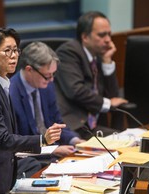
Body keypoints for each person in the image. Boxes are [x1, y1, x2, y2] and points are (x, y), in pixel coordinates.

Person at [0, 27, 64, 194]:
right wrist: (42, 140)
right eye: (7, 51)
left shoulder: (0, 85)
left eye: (15, 50)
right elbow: (3, 139)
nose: (14, 56)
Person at [9, 42, 85, 176]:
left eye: (53, 74)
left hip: (53, 155)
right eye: (47, 75)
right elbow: (15, 143)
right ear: (29, 70)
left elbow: (56, 122)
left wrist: (76, 141)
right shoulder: (11, 94)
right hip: (29, 162)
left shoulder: (47, 86)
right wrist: (51, 149)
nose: (51, 80)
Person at [54, 11, 128, 140]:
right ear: (85, 37)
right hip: (75, 127)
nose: (108, 40)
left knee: (130, 141)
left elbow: (112, 96)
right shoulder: (68, 52)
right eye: (102, 35)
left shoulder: (97, 56)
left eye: (109, 34)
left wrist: (107, 61)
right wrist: (107, 103)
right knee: (126, 142)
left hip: (93, 126)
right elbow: (75, 91)